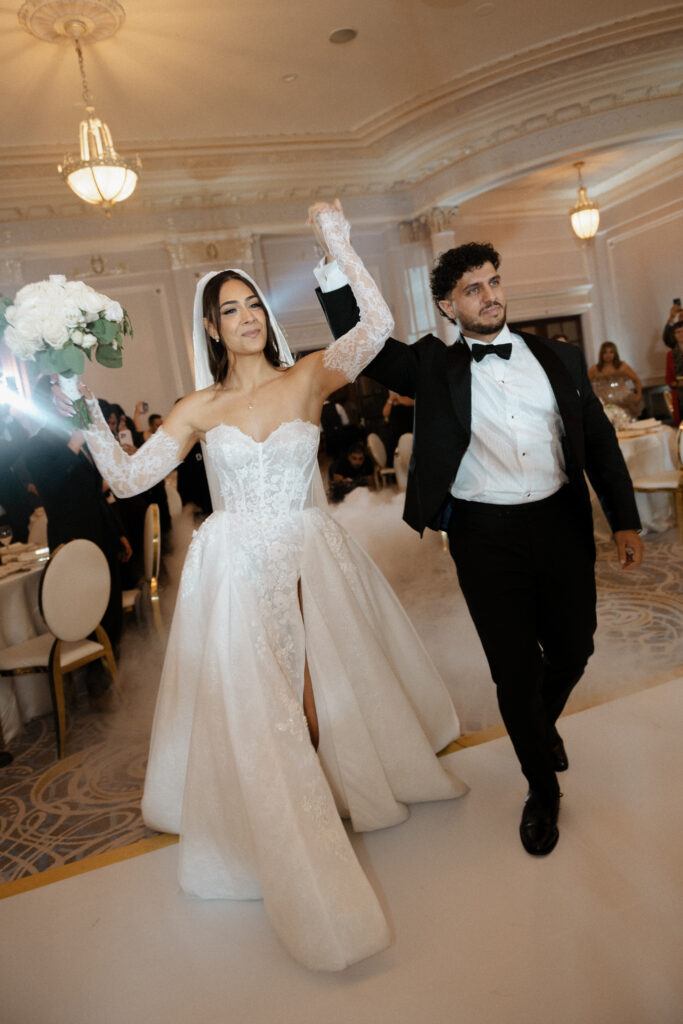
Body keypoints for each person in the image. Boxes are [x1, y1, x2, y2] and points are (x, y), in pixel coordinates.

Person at [53, 202, 467, 972]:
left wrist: (336, 245)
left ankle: (329, 797)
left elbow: (376, 328)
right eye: (230, 310)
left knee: (315, 690)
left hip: (308, 553)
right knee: (259, 698)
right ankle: (290, 822)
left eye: (252, 305)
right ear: (211, 328)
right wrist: (83, 410)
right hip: (235, 563)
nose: (245, 317)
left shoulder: (308, 375)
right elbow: (130, 477)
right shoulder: (197, 407)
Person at [314, 233, 643, 859]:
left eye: (493, 281)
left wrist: (624, 519)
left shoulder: (560, 357)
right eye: (473, 290)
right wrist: (334, 257)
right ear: (448, 306)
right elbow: (361, 342)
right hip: (484, 536)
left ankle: (537, 726)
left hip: (559, 522)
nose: (489, 296)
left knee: (574, 646)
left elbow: (598, 439)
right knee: (514, 670)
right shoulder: (431, 367)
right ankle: (541, 788)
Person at [588, 341, 643, 420]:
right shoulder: (595, 369)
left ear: (615, 353)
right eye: (605, 352)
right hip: (605, 401)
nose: (608, 355)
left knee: (626, 421)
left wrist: (639, 395)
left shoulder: (622, 366)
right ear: (601, 354)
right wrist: (593, 397)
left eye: (611, 352)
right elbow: (585, 383)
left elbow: (636, 379)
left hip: (623, 399)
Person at [665, 319, 683, 425]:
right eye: (678, 332)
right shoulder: (670, 355)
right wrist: (677, 384)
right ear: (674, 335)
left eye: (682, 331)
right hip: (679, 395)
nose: (681, 334)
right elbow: (668, 378)